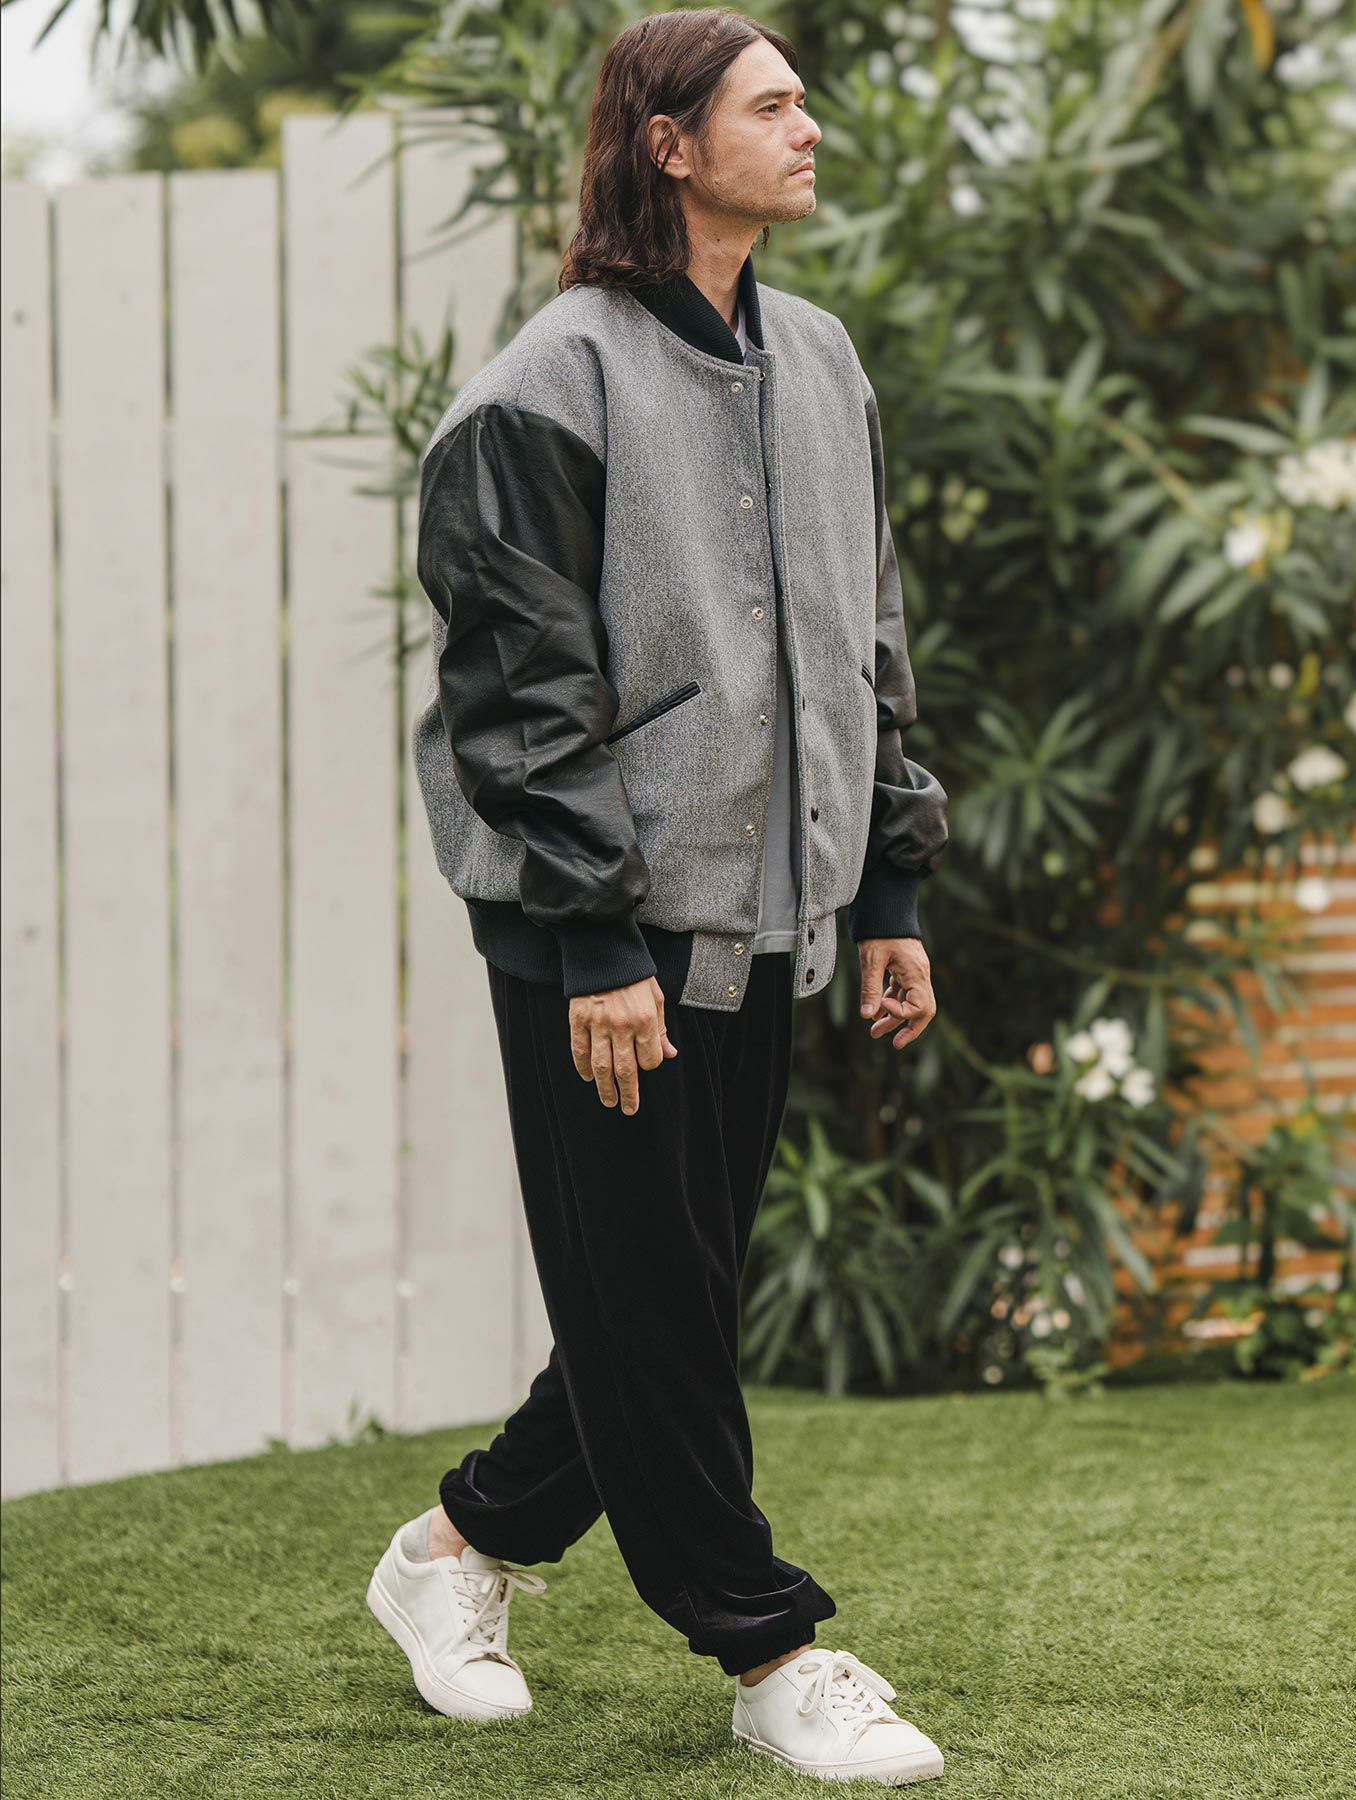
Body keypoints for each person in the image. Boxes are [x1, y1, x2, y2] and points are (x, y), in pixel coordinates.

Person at [366, 8, 949, 1785]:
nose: (811, 125)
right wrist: (596, 945)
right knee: (659, 1300)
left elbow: (870, 639)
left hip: (771, 918)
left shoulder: (821, 359)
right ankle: (767, 1645)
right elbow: (519, 702)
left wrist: (890, 888)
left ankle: (454, 1549)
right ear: (669, 144)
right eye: (773, 104)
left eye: (804, 100)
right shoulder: (543, 388)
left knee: (661, 1295)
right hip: (599, 941)